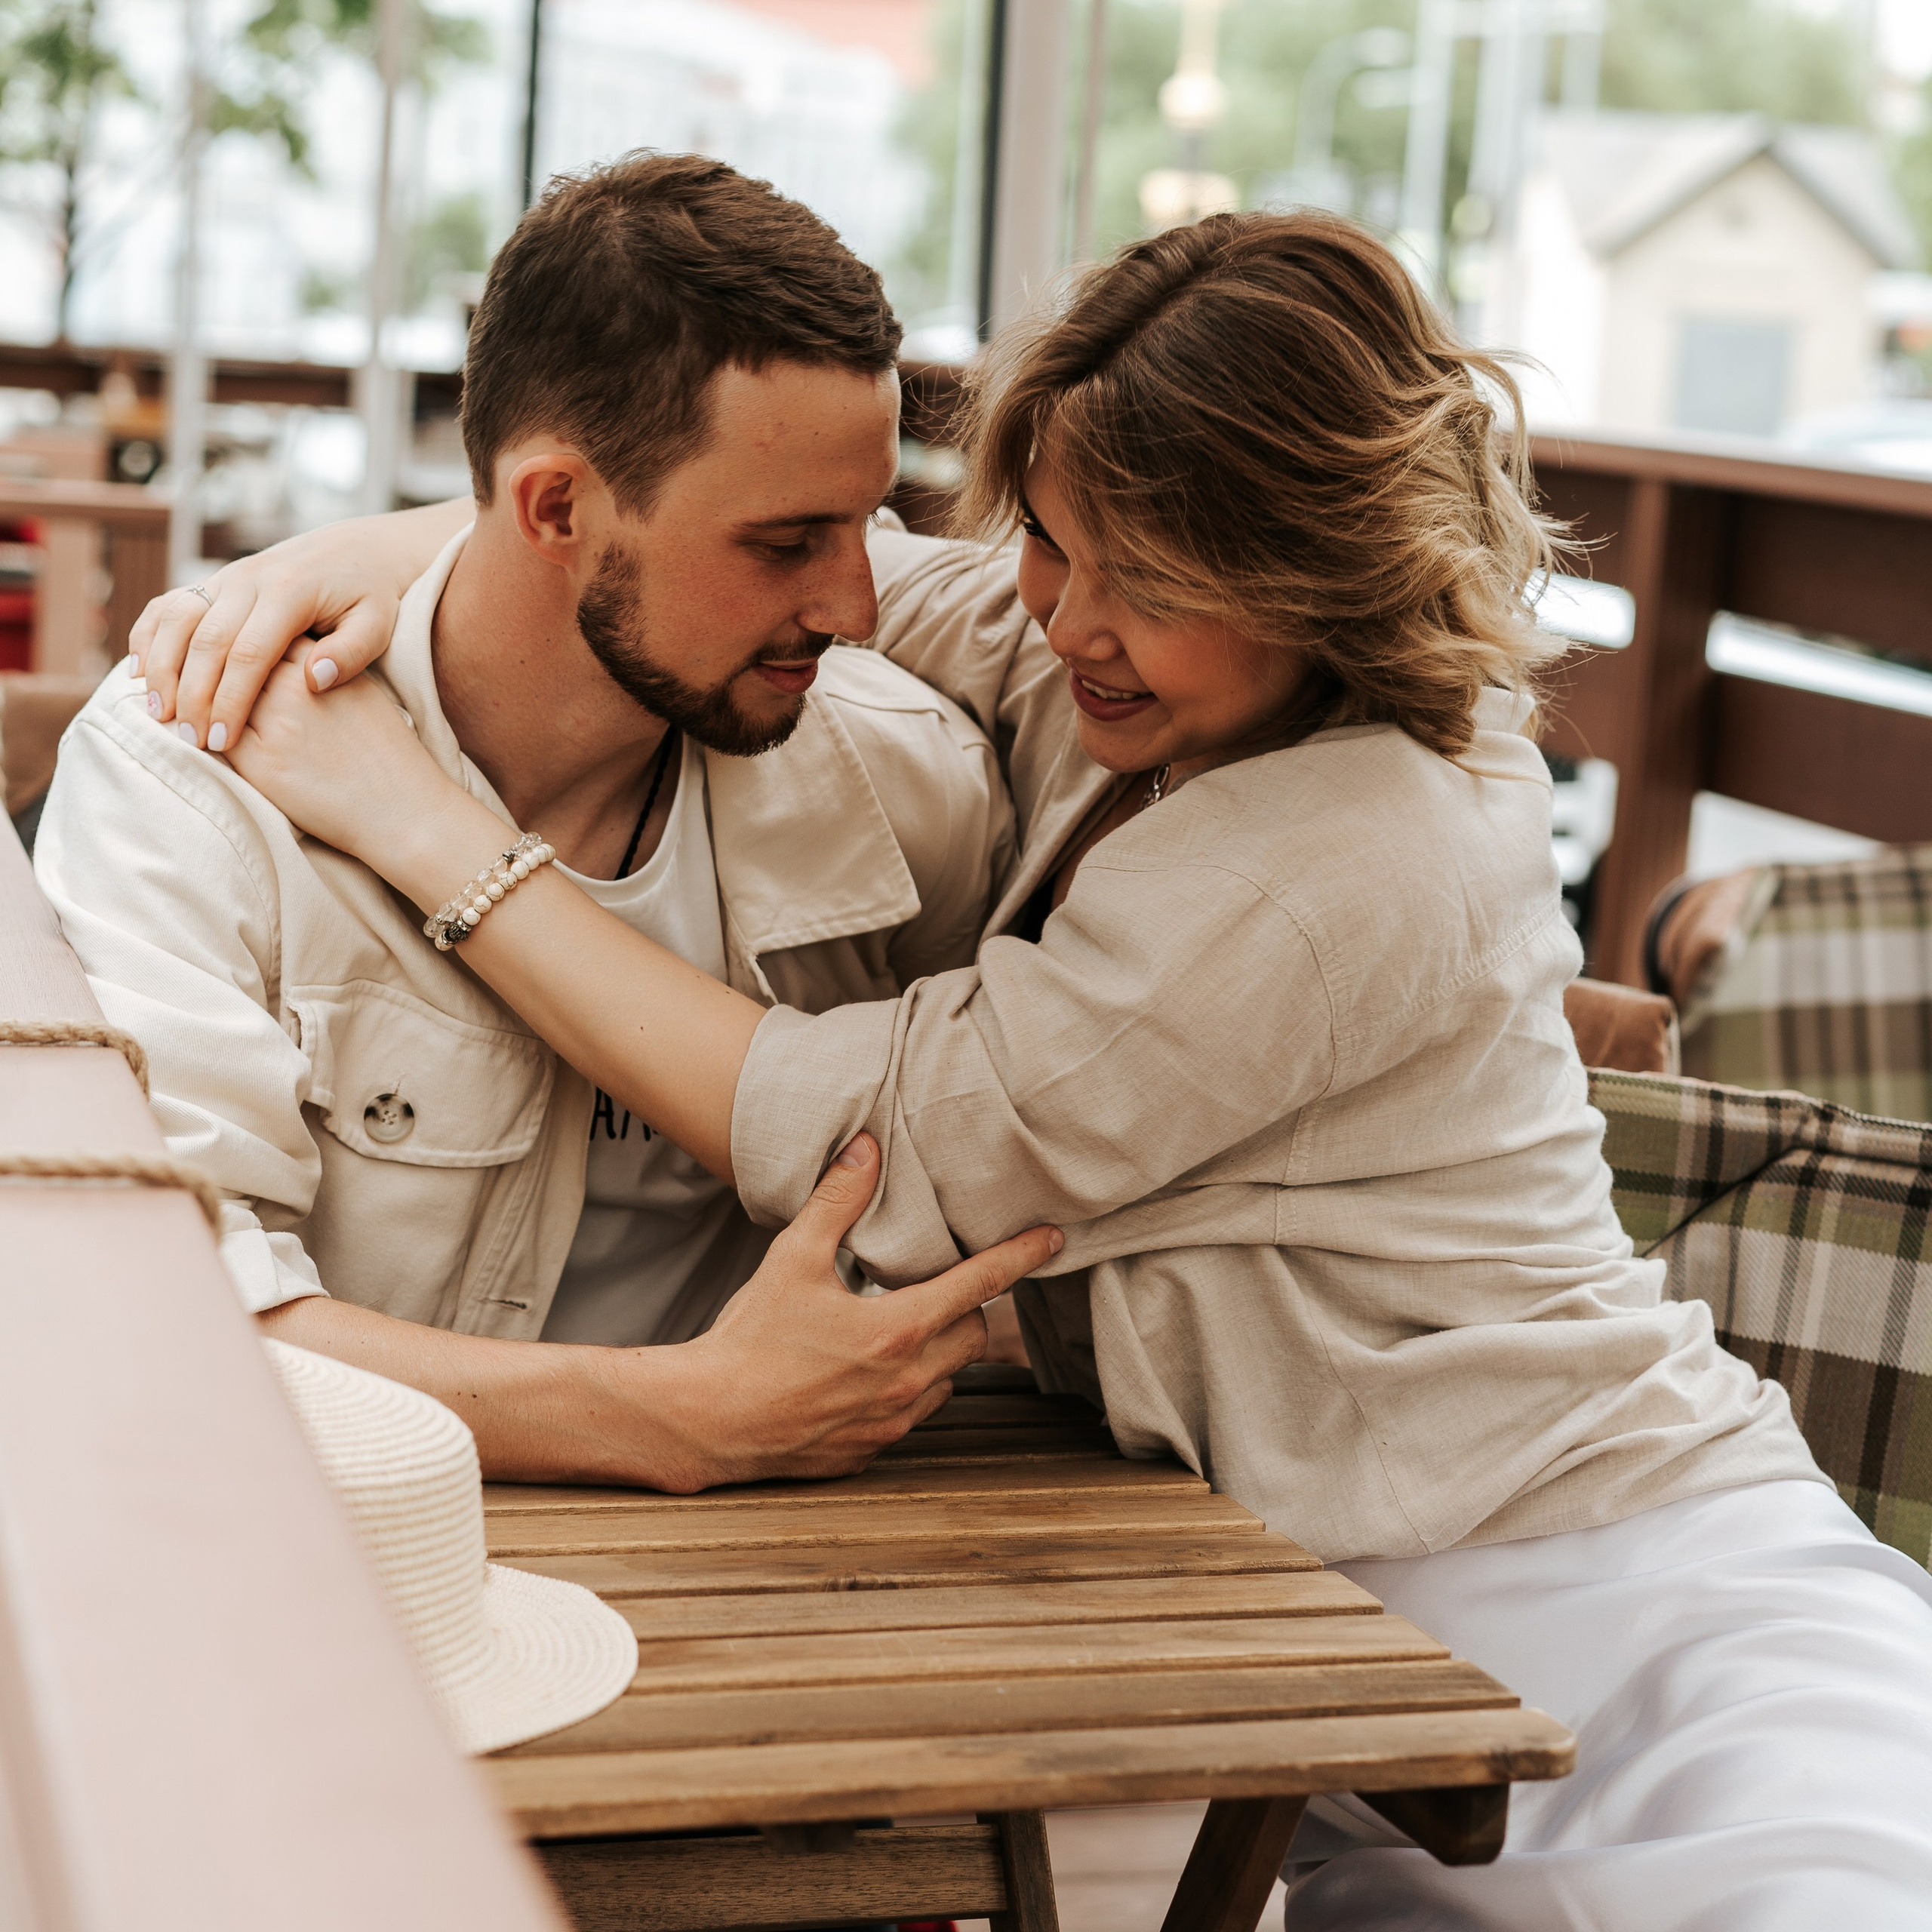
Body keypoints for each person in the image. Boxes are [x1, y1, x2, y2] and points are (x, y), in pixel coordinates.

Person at [138, 209, 1932, 1926]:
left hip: (1613, 1594)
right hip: (1305, 1597)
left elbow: (864, 1147)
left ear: (1312, 575)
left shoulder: (1367, 842)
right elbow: (692, 558)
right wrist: (318, 565)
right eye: (1053, 541)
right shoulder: (1136, 666)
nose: (1057, 615)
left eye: (1139, 581)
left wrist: (422, 830)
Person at [35, 151, 1063, 1492]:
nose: (857, 608)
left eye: (868, 524)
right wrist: (676, 1414)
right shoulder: (197, 779)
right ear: (557, 507)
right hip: (325, 1561)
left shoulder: (905, 788)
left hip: (789, 1577)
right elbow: (164, 1319)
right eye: (786, 541)